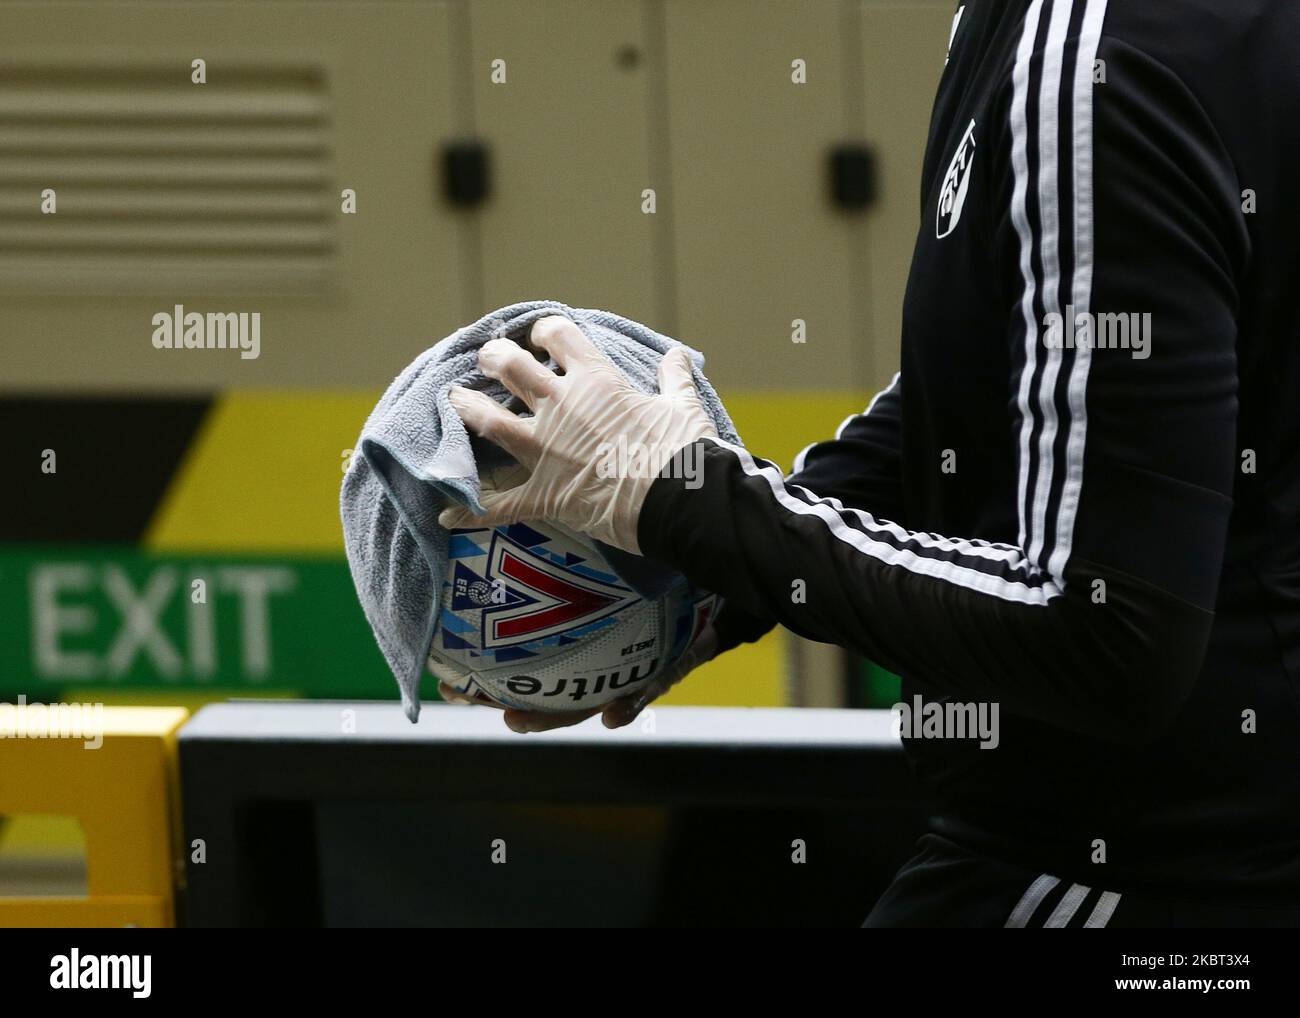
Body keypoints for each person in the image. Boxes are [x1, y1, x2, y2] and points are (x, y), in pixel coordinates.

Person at [439, 0, 1300, 927]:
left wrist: (682, 497)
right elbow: (991, 392)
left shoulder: (1097, 54)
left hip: (1158, 877)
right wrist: (715, 587)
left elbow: (1101, 626)